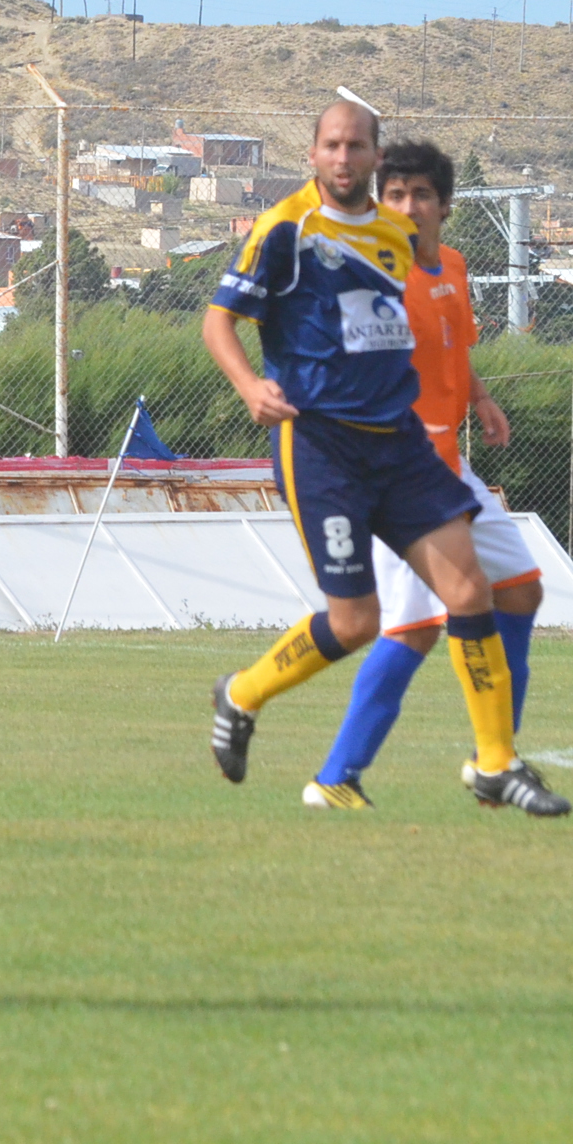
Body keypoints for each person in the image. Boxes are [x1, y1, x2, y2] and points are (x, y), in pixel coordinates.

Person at [202, 100, 565, 816]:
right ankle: (242, 694)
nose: (344, 158)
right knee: (357, 622)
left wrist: (476, 393)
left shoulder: (397, 236)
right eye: (332, 145)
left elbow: (424, 321)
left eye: (357, 146)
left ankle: (494, 763)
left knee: (471, 594)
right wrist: (251, 386)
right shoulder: (286, 229)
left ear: (373, 155)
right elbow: (219, 320)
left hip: (399, 444)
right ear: (313, 153)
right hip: (322, 446)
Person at [306, 139, 547, 808]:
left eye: (420, 195)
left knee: (522, 591)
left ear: (445, 204)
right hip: (396, 474)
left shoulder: (454, 266)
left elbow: (454, 343)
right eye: (396, 195)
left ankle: (493, 758)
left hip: (449, 466)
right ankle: (335, 778)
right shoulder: (372, 276)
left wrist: (481, 398)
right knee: (410, 630)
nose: (408, 207)